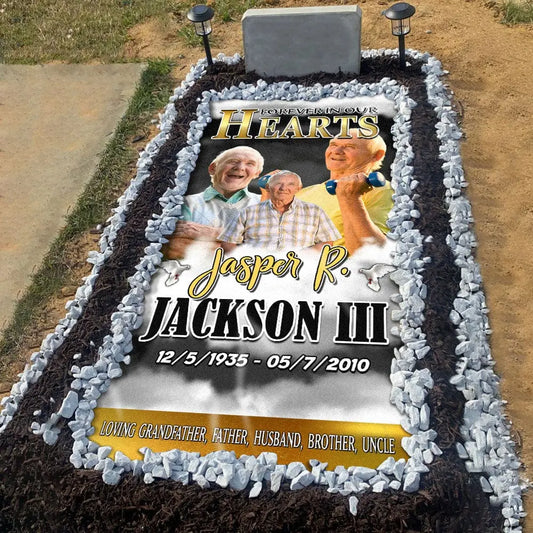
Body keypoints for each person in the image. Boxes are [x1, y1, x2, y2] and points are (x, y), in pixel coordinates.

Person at [295, 129, 393, 255]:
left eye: (350, 146)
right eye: (333, 145)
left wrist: (350, 198)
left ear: (377, 155)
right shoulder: (303, 193)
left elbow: (371, 254)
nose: (336, 151)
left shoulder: (383, 190)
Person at [163, 146, 264, 258]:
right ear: (213, 168)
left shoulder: (268, 203)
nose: (240, 167)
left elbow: (273, 245)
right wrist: (243, 243)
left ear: (257, 173)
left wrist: (209, 233)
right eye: (233, 161)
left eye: (250, 164)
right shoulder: (184, 203)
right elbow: (176, 248)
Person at [219, 171, 340, 252]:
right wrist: (239, 259)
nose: (283, 188)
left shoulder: (314, 211)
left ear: (298, 188)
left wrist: (305, 260)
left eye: (290, 184)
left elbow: (327, 242)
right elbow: (227, 241)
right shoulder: (249, 212)